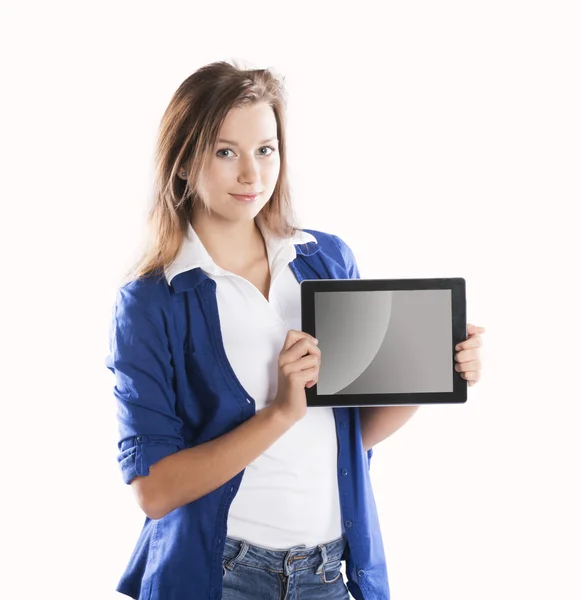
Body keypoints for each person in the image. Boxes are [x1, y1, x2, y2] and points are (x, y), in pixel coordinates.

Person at [105, 60, 484, 600]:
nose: (252, 175)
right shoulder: (151, 300)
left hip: (329, 573)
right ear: (185, 162)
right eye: (225, 151)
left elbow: (349, 436)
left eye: (266, 149)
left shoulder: (325, 259)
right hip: (220, 576)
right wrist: (281, 413)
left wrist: (437, 367)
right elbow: (155, 489)